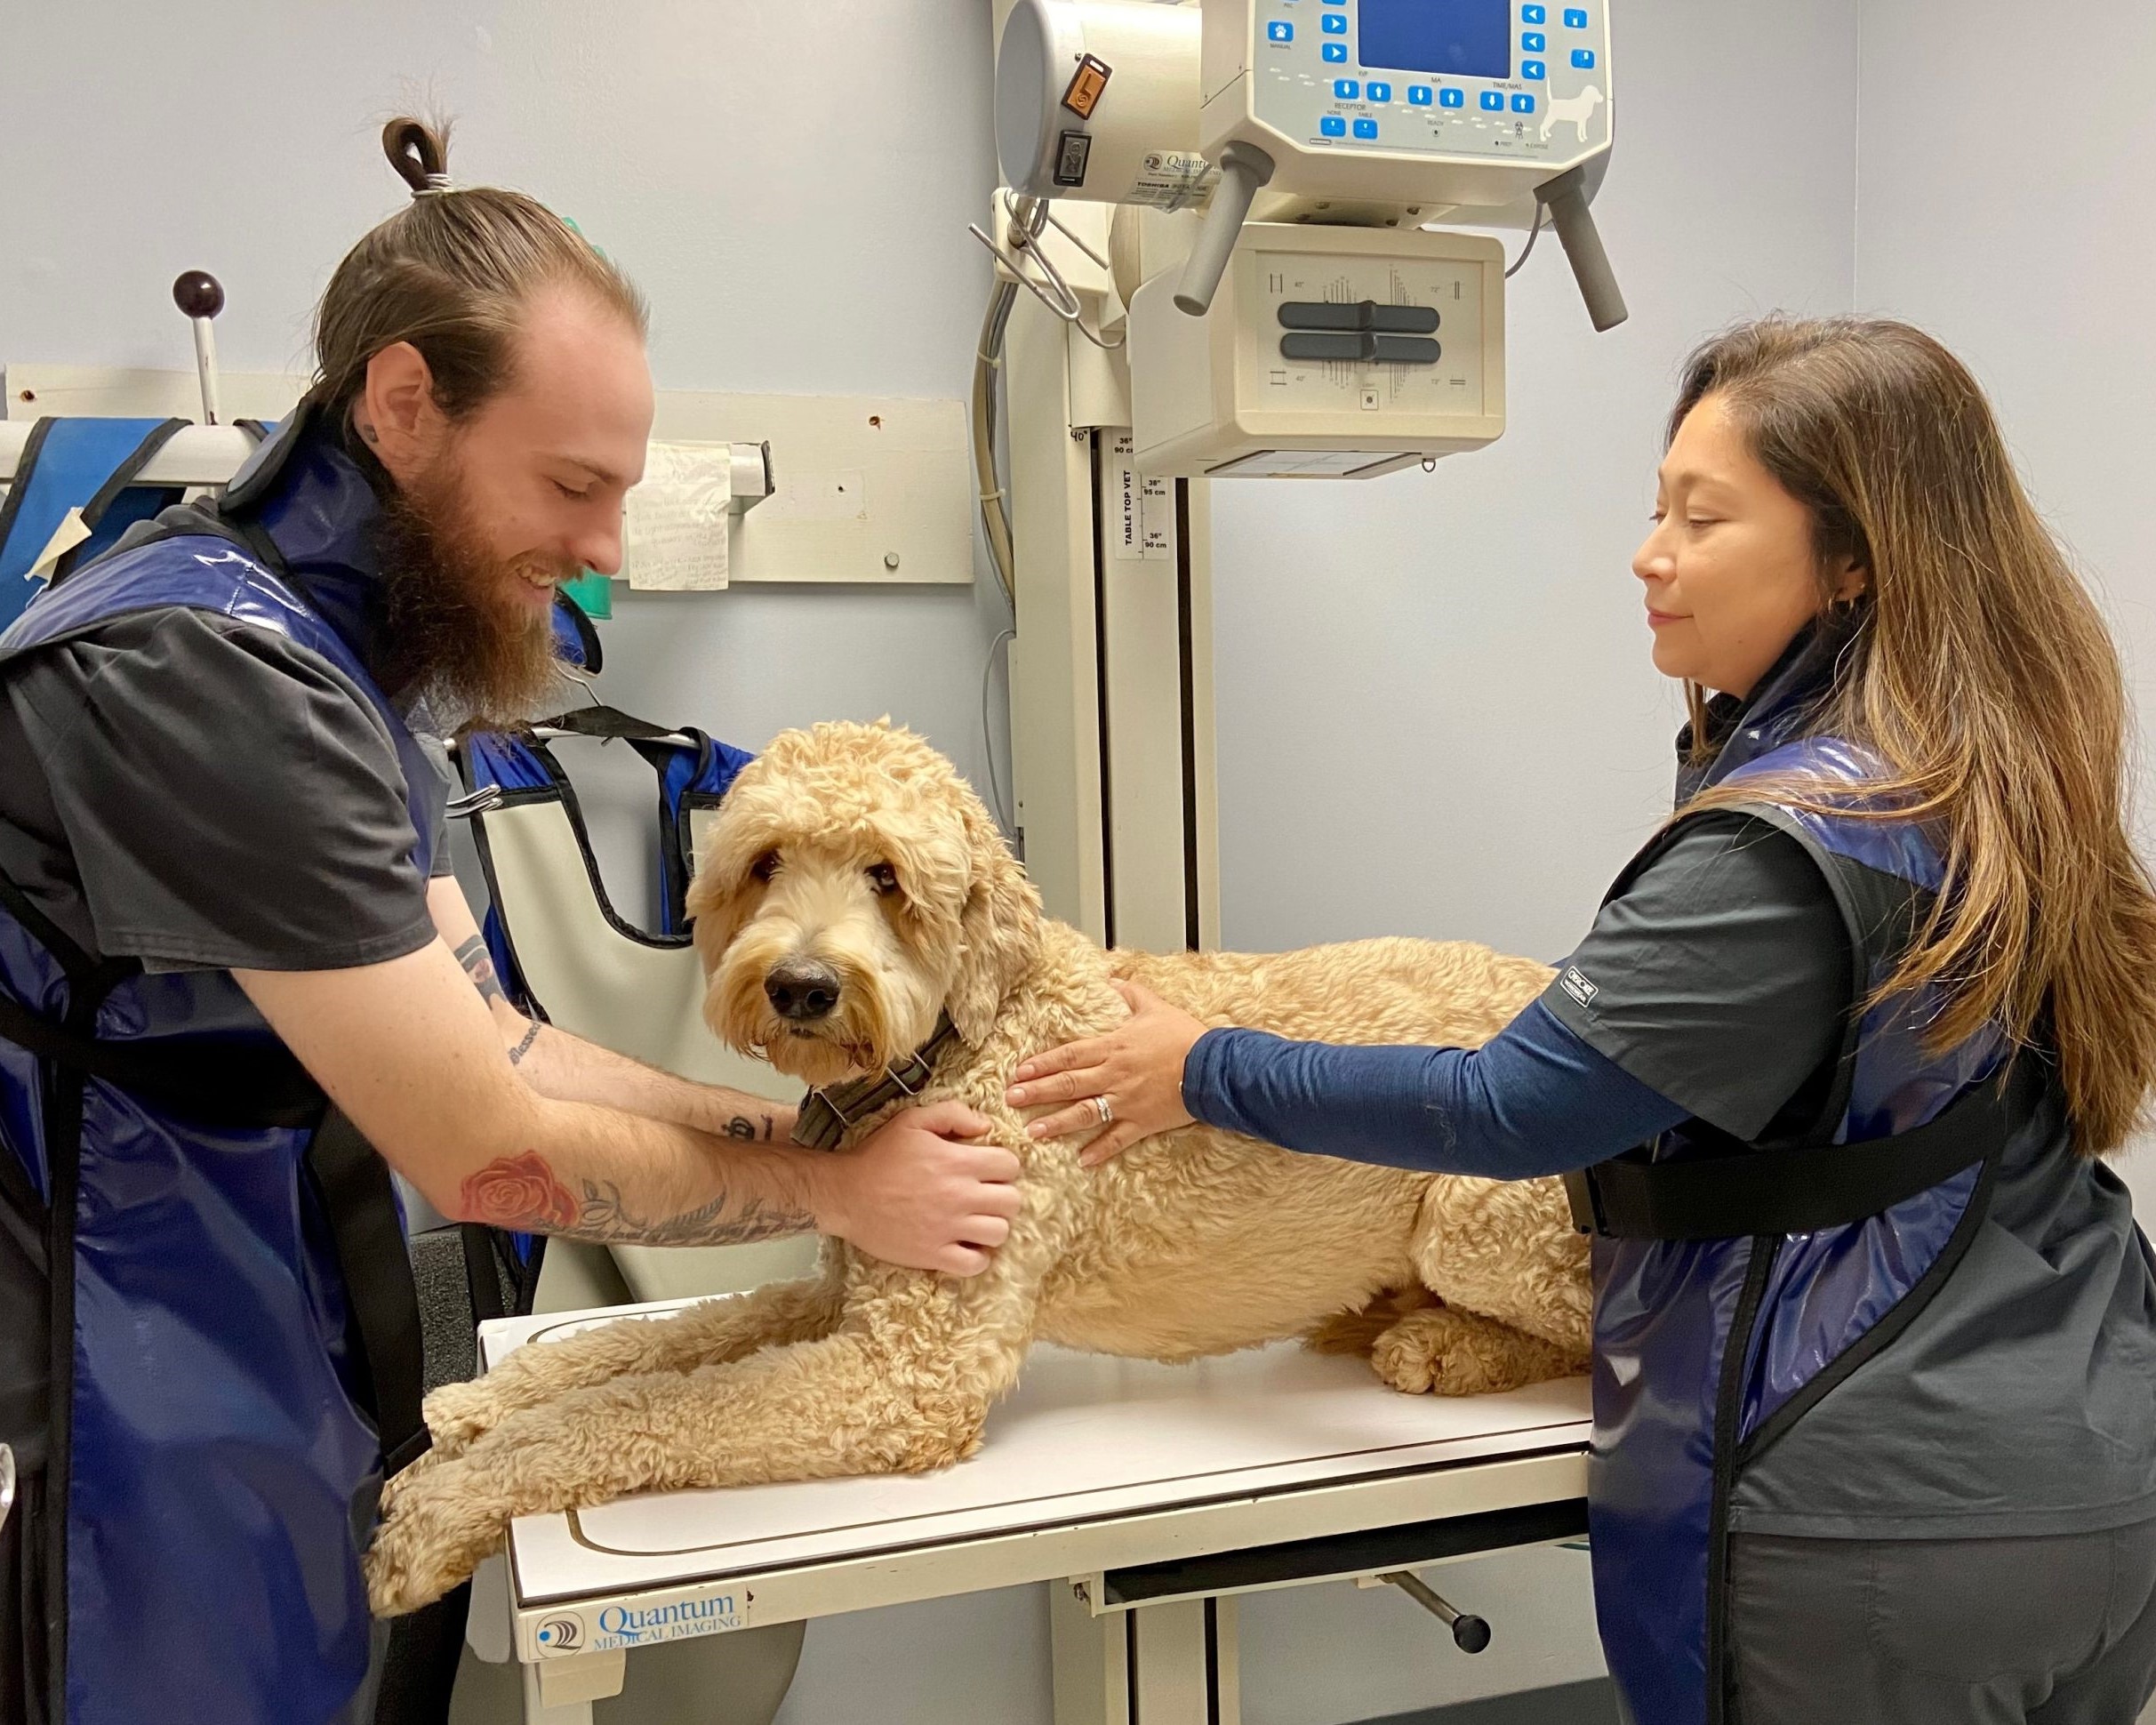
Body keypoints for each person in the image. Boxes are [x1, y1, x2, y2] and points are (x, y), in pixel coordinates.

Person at [0, 119, 1021, 1725]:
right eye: (572, 483)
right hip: (98, 1315)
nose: (606, 551)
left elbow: (499, 1036)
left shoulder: (322, 663)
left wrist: (814, 1145)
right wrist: (839, 1199)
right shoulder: (213, 677)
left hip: (220, 1286)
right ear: (402, 406)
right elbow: (486, 1148)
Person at [1007, 317, 2156, 1725]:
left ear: (1852, 559)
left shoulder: (1781, 847)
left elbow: (1510, 1109)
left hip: (1874, 1520)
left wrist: (1202, 1066)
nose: (1647, 552)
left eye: (1703, 515)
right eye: (1654, 506)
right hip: (2094, 1462)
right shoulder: (1995, 776)